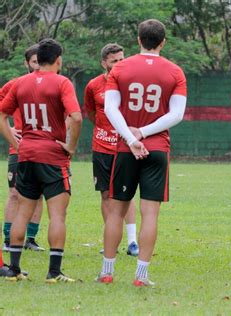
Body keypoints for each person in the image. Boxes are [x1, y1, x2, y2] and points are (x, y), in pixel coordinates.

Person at [97, 19, 187, 287]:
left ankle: (107, 272)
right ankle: (141, 275)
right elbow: (177, 114)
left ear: (138, 40)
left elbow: (110, 109)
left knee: (115, 212)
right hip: (157, 148)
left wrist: (130, 137)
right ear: (163, 42)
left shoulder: (121, 68)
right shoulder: (175, 71)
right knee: (150, 214)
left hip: (126, 148)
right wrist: (145, 133)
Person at [0, 38, 83, 283]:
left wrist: (16, 144)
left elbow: (2, 114)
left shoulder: (20, 83)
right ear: (58, 60)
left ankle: (14, 270)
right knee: (57, 215)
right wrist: (71, 146)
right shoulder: (62, 82)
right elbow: (76, 118)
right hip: (53, 156)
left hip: (26, 155)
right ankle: (54, 273)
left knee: (23, 211)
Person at [84, 43, 139, 256]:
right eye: (114, 61)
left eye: (121, 60)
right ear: (104, 63)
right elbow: (90, 113)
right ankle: (111, 241)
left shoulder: (131, 84)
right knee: (106, 194)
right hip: (101, 147)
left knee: (126, 193)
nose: (118, 64)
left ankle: (133, 242)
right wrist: (104, 130)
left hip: (125, 146)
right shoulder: (93, 85)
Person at [1, 44, 45, 253]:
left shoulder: (52, 84)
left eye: (40, 61)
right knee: (15, 193)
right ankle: (8, 239)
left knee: (38, 195)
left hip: (45, 149)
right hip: (19, 149)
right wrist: (9, 128)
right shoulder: (15, 85)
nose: (37, 66)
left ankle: (31, 238)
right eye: (34, 61)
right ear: (26, 63)